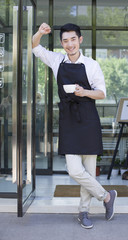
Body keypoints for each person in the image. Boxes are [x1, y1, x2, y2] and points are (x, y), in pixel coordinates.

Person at [32, 22, 117, 229]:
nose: (69, 44)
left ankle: (83, 212)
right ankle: (106, 197)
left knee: (88, 170)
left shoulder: (91, 64)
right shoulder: (57, 60)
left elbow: (101, 93)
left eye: (73, 40)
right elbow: (34, 47)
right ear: (61, 43)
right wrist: (40, 33)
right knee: (74, 170)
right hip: (69, 119)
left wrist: (84, 92)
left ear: (80, 40)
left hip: (88, 119)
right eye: (65, 41)